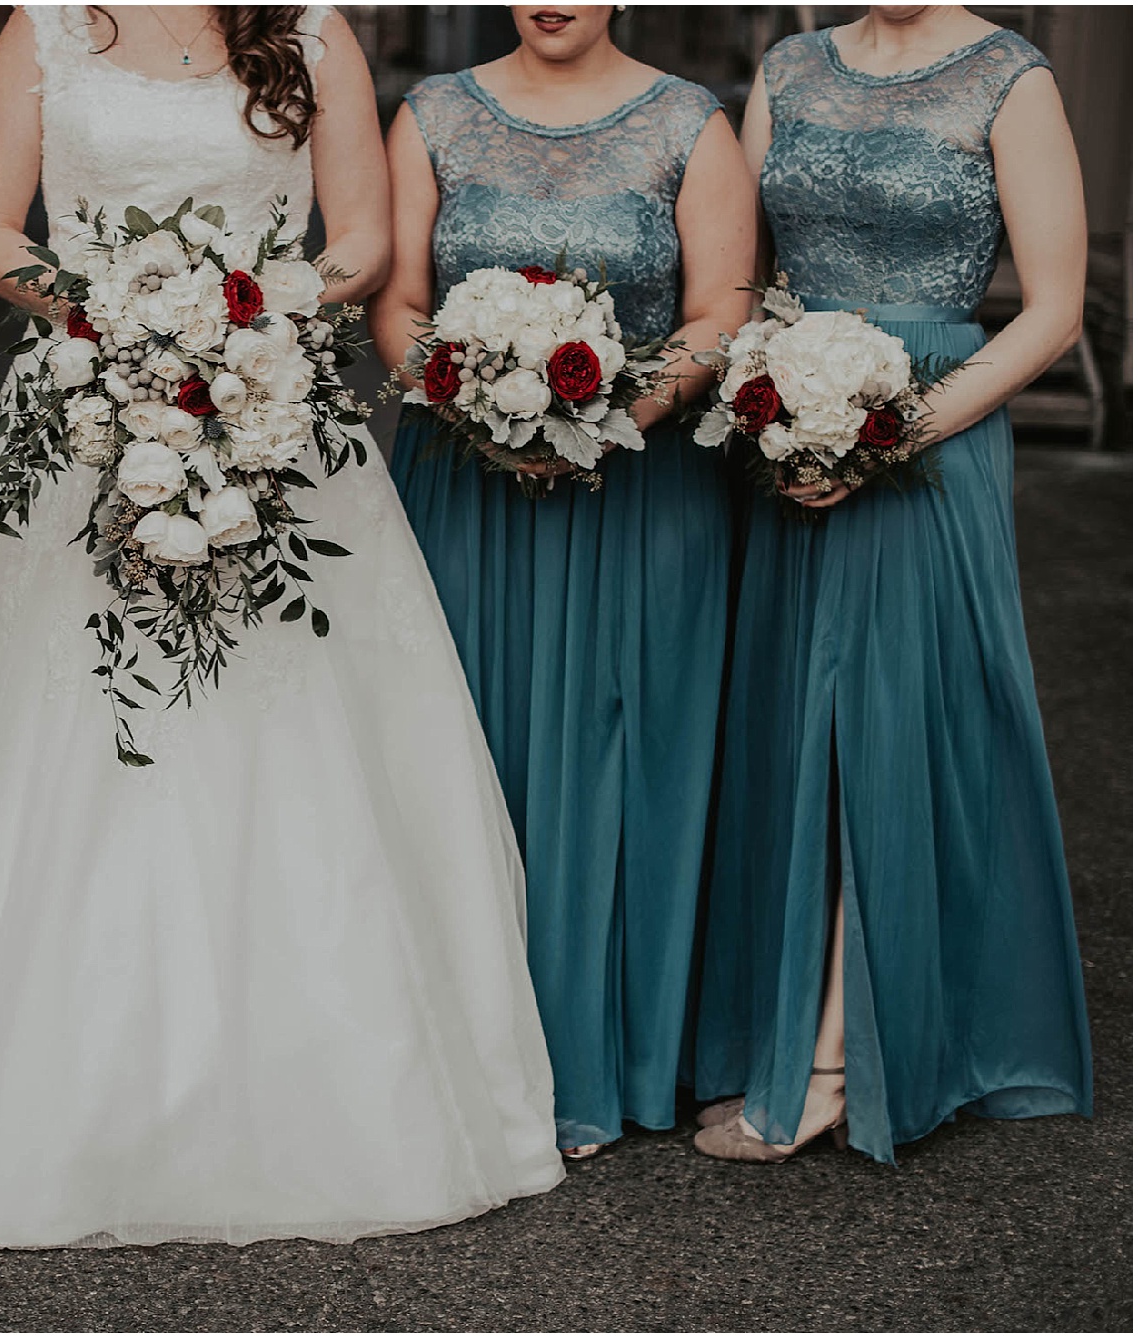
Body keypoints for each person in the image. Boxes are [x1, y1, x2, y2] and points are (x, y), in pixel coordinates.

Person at [0, 4, 563, 1249]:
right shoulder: (48, 25)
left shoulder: (308, 28)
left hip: (264, 398)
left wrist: (241, 323)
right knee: (58, 719)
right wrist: (118, 320)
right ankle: (49, 1086)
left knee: (290, 722)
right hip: (83, 399)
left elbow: (366, 242)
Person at [693, 4, 1093, 1163]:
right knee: (793, 719)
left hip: (929, 431)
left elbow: (1053, 313)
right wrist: (773, 404)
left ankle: (829, 1063)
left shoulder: (1009, 81)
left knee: (880, 718)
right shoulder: (786, 69)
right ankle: (804, 1021)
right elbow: (749, 275)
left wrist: (890, 432)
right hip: (790, 428)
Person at [369, 3, 755, 1159]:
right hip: (460, 481)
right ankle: (454, 1058)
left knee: (615, 748)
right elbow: (395, 305)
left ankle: (601, 1053)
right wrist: (466, 403)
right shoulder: (430, 114)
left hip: (636, 495)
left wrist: (607, 421)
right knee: (460, 745)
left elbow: (716, 311)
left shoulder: (691, 124)